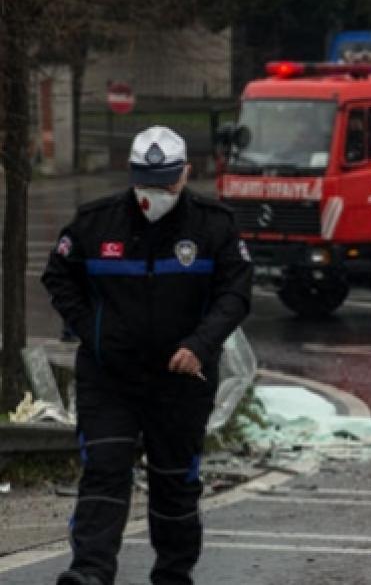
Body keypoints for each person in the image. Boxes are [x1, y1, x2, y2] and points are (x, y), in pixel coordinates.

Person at [42, 126, 253, 585]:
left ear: (185, 174)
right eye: (146, 181)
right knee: (104, 469)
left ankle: (174, 574)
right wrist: (95, 334)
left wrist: (199, 345)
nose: (154, 193)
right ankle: (90, 571)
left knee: (175, 481)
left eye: (165, 182)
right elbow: (59, 278)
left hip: (181, 381)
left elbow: (235, 294)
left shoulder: (212, 225)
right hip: (109, 377)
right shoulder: (95, 223)